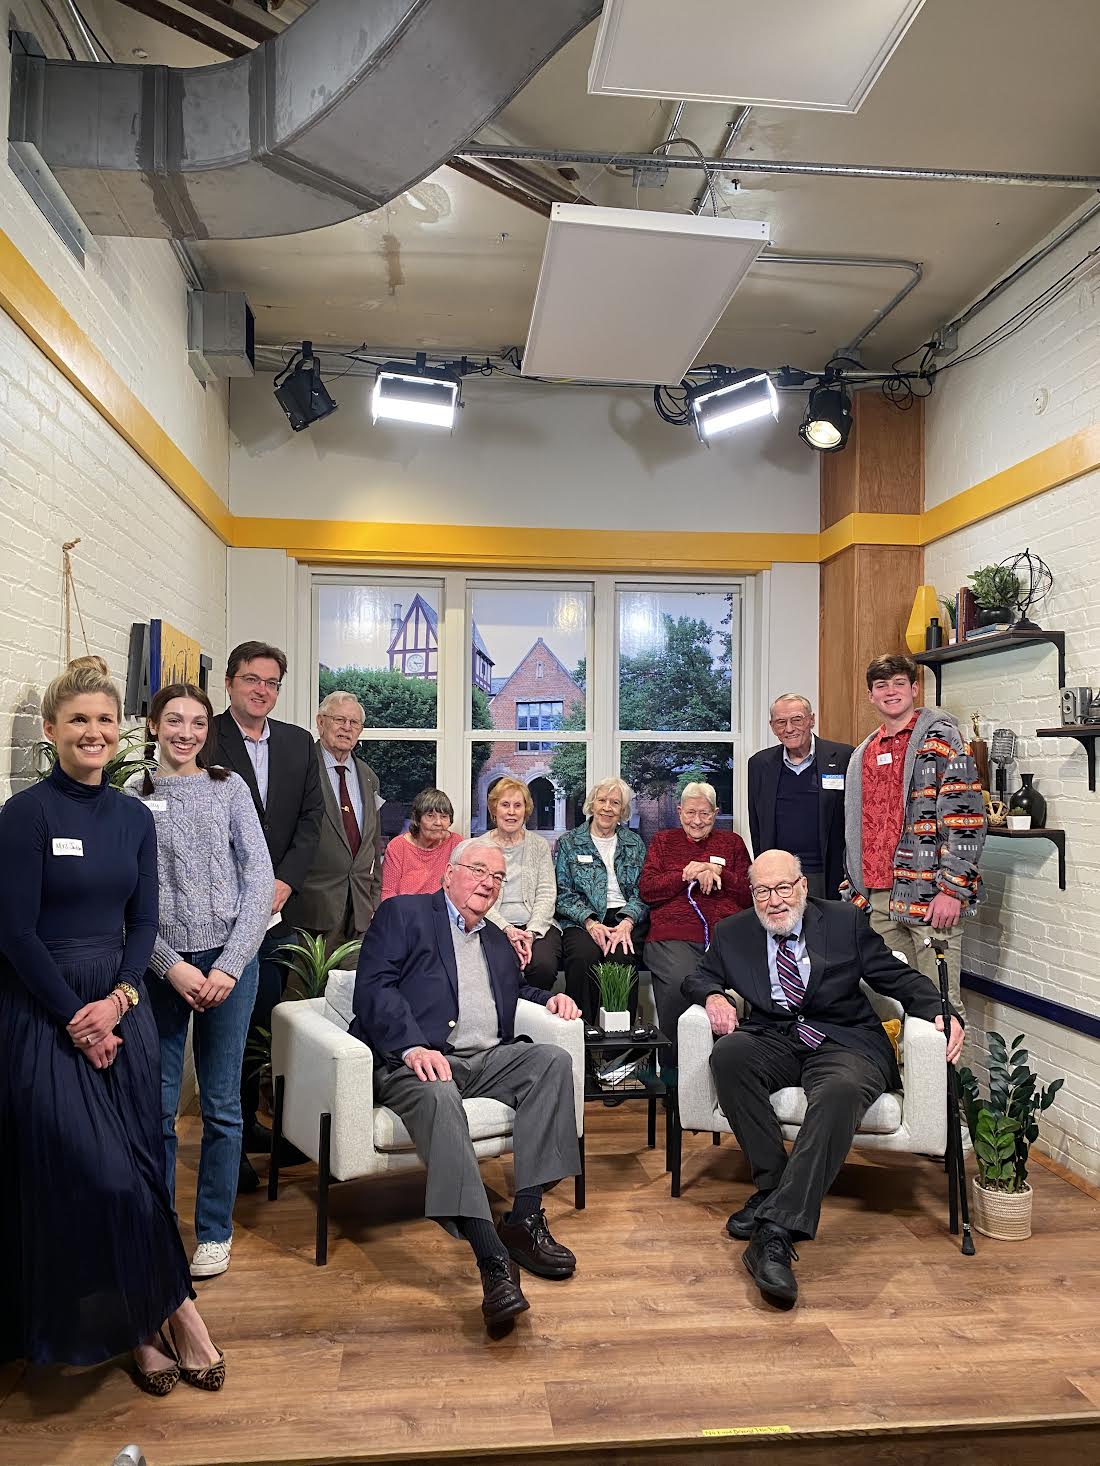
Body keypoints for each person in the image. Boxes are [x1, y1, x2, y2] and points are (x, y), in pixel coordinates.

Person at [0, 656, 223, 1391]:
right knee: (94, 1179)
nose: (92, 733)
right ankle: (163, 1316)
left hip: (119, 1009)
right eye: (78, 722)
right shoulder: (26, 815)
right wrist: (77, 1018)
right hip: (45, 1013)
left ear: (118, 730)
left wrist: (123, 999)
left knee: (138, 1172)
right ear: (52, 731)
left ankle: (156, 1321)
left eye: (103, 720)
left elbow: (144, 919)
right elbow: (15, 934)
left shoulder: (133, 814)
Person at [684, 849, 964, 1306]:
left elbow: (898, 978)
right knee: (730, 1056)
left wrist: (940, 1011)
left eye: (782, 888)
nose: (773, 900)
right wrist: (714, 995)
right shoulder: (734, 932)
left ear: (802, 887)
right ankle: (774, 1186)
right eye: (762, 891)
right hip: (776, 1036)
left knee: (840, 1091)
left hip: (844, 1039)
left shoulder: (843, 923)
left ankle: (775, 1231)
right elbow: (697, 978)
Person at [351, 839, 581, 1328]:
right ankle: (490, 1255)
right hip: (413, 1062)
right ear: (449, 873)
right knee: (439, 1093)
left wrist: (551, 1001)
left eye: (497, 877)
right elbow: (374, 988)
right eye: (479, 870)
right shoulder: (404, 915)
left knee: (552, 1061)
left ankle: (524, 1219)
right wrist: (413, 1045)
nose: (488, 883)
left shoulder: (497, 939)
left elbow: (514, 993)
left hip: (485, 1060)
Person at [128, 683, 274, 1280]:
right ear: (154, 726)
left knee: (220, 1105)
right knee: (159, 1109)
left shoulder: (228, 787)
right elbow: (126, 899)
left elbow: (259, 877)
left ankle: (214, 1230)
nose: (184, 732)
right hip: (162, 967)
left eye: (195, 722)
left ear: (206, 729)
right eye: (173, 721)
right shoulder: (131, 796)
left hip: (228, 963)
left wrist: (228, 966)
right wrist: (172, 966)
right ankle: (160, 1226)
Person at [206, 640, 323, 1191]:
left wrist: (282, 881)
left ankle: (252, 1124)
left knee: (265, 1016)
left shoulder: (300, 744)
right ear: (230, 683)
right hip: (221, 906)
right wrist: (247, 887)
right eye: (252, 679)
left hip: (280, 906)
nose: (262, 691)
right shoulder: (206, 736)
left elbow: (310, 820)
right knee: (223, 1021)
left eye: (272, 683)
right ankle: (226, 1138)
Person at [841, 653, 986, 1018]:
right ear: (870, 695)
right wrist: (855, 889)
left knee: (941, 1009)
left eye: (899, 683)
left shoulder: (942, 739)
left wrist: (952, 889)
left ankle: (949, 1079)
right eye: (881, 686)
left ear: (915, 688)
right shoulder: (863, 753)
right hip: (877, 899)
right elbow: (859, 826)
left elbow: (965, 817)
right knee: (890, 1010)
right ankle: (902, 1078)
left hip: (929, 894)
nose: (891, 692)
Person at [638, 781, 750, 1071]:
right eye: (690, 813)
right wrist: (685, 874)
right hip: (673, 937)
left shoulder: (732, 844)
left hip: (726, 938)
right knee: (681, 985)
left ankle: (731, 1070)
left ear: (716, 813)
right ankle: (678, 1080)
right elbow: (647, 890)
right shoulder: (663, 842)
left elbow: (750, 894)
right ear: (679, 811)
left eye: (705, 814)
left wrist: (719, 871)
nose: (697, 821)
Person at [554, 778, 648, 1025]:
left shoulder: (634, 843)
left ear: (623, 811)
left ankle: (619, 1051)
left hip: (623, 918)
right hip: (582, 918)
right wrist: (590, 922)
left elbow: (644, 890)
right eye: (602, 801)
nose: (607, 808)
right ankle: (581, 1037)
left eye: (615, 803)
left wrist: (628, 921)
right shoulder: (569, 842)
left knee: (621, 958)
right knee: (583, 957)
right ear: (592, 805)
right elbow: (561, 892)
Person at [294, 691, 383, 952]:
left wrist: (374, 898)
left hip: (360, 911)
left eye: (354, 723)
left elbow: (373, 844)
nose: (347, 728)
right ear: (320, 722)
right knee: (307, 992)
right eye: (339, 719)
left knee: (352, 990)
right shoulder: (300, 768)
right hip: (311, 910)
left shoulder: (369, 777)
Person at [747, 693, 854, 899]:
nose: (789, 728)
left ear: (811, 720)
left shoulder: (843, 757)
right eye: (781, 722)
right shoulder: (759, 764)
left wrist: (853, 872)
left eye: (797, 719)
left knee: (828, 930)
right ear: (772, 726)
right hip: (780, 875)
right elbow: (757, 825)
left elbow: (856, 818)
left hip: (829, 872)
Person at [482, 777, 561, 990]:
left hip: (536, 925)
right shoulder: (478, 847)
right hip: (493, 925)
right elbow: (478, 898)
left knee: (543, 966)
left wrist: (531, 932)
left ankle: (534, 1022)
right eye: (505, 805)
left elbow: (546, 893)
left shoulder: (539, 845)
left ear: (526, 811)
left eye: (518, 806)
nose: (511, 812)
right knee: (502, 964)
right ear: (494, 808)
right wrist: (507, 929)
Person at [380, 786, 462, 899]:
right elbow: (387, 893)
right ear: (418, 819)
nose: (438, 823)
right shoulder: (397, 847)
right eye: (430, 816)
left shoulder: (456, 844)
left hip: (443, 913)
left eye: (444, 817)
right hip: (405, 912)